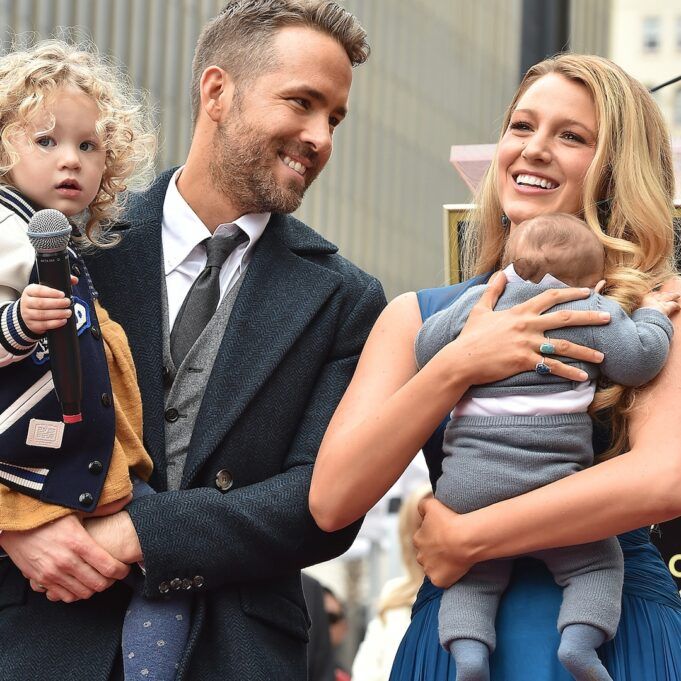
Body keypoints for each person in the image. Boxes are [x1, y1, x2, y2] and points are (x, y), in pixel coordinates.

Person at [0, 3, 385, 680]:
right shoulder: (66, 240)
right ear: (216, 92)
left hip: (237, 653)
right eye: (301, 103)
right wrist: (12, 523)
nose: (319, 137)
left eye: (335, 119)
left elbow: (322, 502)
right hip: (40, 637)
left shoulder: (347, 299)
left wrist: (143, 533)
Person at [309, 53, 681, 680]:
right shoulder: (416, 315)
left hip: (614, 631)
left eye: (571, 136)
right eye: (521, 126)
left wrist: (468, 538)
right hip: (456, 635)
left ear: (615, 172)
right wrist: (460, 364)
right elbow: (332, 500)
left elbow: (662, 479)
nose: (534, 149)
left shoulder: (653, 307)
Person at [0, 39, 197, 681]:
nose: (71, 160)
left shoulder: (57, 243)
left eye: (88, 146)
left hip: (64, 455)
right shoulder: (9, 234)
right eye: (47, 140)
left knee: (156, 558)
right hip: (34, 460)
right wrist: (17, 325)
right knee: (162, 563)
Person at [415, 212, 676, 681]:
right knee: (598, 563)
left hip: (467, 487)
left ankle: (469, 654)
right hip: (551, 488)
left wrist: (465, 337)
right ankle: (580, 642)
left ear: (509, 264)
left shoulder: (480, 303)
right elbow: (639, 361)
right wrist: (653, 316)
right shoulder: (590, 307)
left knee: (472, 577)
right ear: (595, 280)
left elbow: (425, 349)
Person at [352, 484, 431, 681]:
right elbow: (364, 671)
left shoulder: (476, 589)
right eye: (422, 524)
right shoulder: (394, 593)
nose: (432, 533)